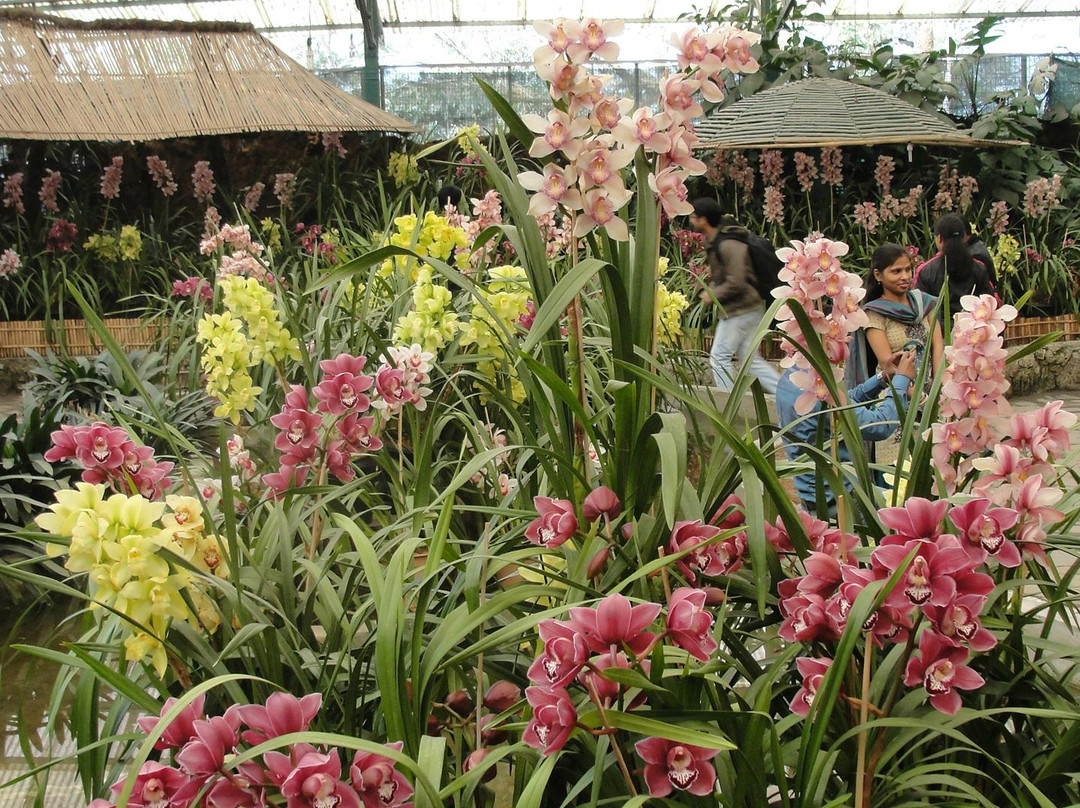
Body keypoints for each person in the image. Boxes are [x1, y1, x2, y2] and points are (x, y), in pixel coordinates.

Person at [777, 350, 917, 514]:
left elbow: (845, 403)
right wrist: (902, 380)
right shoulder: (815, 393)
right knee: (913, 510)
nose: (848, 346)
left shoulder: (790, 378)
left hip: (815, 495)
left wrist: (882, 378)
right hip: (840, 501)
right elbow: (880, 426)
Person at [689, 198, 780, 394]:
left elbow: (737, 280)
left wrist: (712, 294)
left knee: (719, 357)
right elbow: (725, 275)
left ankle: (728, 405)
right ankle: (788, 395)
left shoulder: (729, 244)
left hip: (742, 308)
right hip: (745, 307)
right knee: (750, 360)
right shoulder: (714, 241)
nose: (691, 220)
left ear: (703, 220)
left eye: (693, 216)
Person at [914, 214, 994, 323]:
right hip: (973, 330)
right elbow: (989, 301)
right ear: (963, 237)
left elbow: (919, 308)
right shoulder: (979, 267)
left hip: (938, 334)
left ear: (939, 238)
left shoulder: (926, 270)